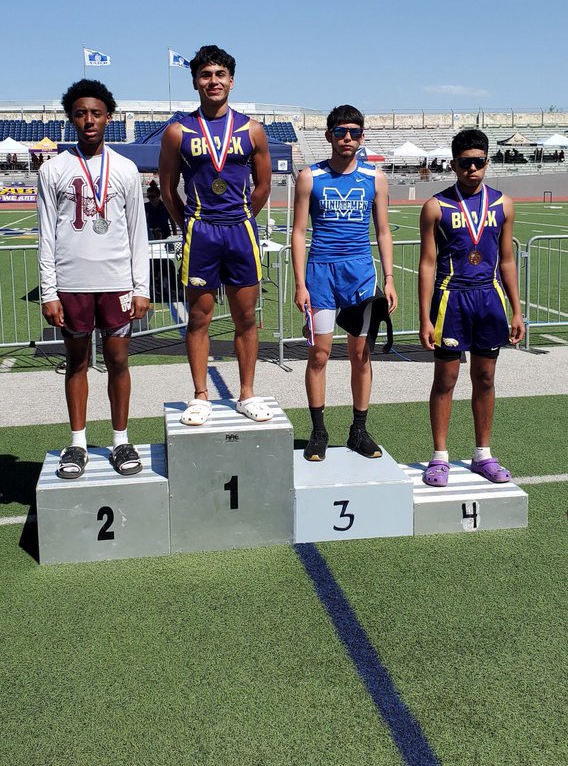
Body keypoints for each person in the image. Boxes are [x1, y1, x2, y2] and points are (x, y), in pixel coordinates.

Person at [37, 79, 150, 479]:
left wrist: (142, 287)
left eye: (96, 113)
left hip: (117, 282)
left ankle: (120, 440)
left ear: (109, 118)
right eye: (81, 113)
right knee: (77, 362)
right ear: (71, 118)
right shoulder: (54, 169)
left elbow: (138, 232)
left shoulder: (125, 168)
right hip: (72, 285)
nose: (89, 120)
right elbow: (46, 234)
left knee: (119, 361)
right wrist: (49, 292)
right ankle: (78, 442)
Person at [159, 44, 273, 425]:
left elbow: (263, 186)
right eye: (206, 75)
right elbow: (167, 188)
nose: (213, 81)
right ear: (195, 82)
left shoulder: (251, 129)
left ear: (232, 81)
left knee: (246, 318)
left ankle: (246, 394)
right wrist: (187, 224)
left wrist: (241, 218)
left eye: (219, 75)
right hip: (201, 231)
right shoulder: (178, 131)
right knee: (199, 317)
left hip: (240, 231)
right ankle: (200, 396)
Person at [418, 127, 525, 486]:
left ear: (487, 162)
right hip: (451, 299)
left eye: (478, 162)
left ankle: (483, 454)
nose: (472, 170)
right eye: (465, 163)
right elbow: (427, 264)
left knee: (485, 377)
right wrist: (424, 317)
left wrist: (517, 309)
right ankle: (439, 457)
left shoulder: (502, 204)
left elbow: (507, 260)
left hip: (488, 299)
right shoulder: (436, 206)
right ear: (453, 164)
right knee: (445, 379)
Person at [291, 105, 397, 461]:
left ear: (362, 136)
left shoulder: (375, 177)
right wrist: (299, 283)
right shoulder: (309, 176)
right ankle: (318, 430)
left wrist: (390, 279)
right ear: (329, 136)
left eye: (353, 132)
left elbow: (382, 230)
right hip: (320, 275)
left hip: (360, 277)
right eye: (340, 132)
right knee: (319, 354)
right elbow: (299, 231)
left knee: (359, 354)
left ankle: (358, 430)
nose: (347, 138)